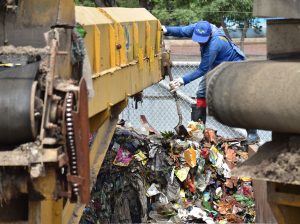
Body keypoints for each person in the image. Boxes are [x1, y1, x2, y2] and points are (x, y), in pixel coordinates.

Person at [162, 21, 259, 144]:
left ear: (209, 35)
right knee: (201, 92)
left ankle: (253, 134)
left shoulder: (215, 43)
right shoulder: (199, 28)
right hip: (217, 66)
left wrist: (182, 80)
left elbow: (203, 69)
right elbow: (182, 31)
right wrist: (165, 29)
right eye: (198, 39)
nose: (200, 42)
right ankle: (197, 132)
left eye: (203, 40)